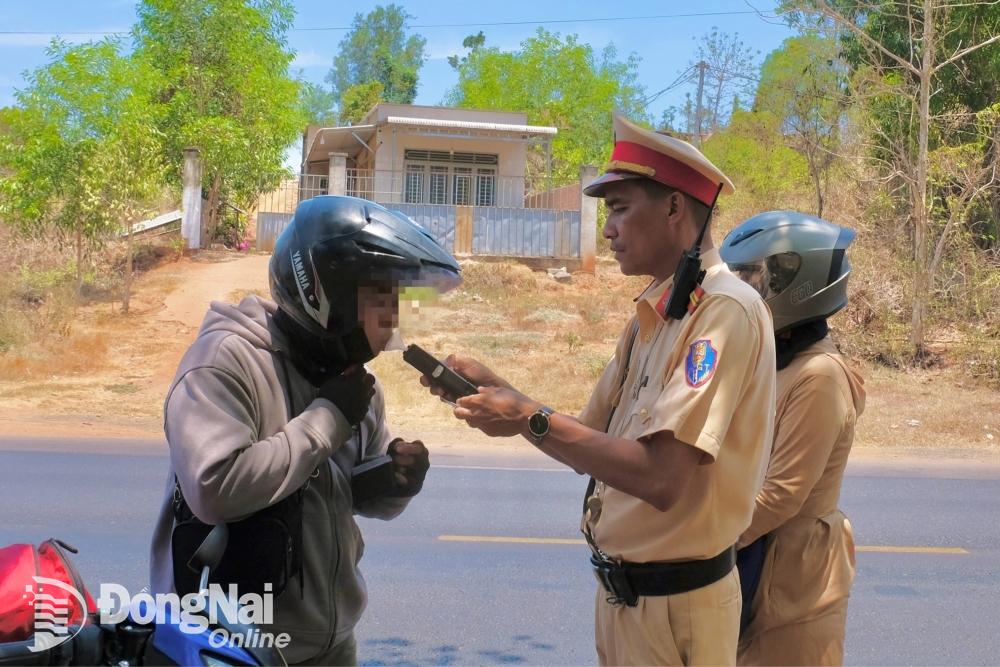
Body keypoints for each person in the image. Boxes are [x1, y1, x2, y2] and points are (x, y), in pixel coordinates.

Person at [422, 113, 776, 666]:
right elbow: (590, 439)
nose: (606, 229)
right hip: (625, 599)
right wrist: (505, 392)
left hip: (677, 608)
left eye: (619, 209)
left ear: (675, 208)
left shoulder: (724, 311)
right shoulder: (657, 309)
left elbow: (661, 479)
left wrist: (527, 416)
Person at [149, 195, 461, 665]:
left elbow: (343, 493)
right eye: (384, 300)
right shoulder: (225, 360)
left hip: (331, 644)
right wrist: (328, 417)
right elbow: (214, 490)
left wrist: (393, 481)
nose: (395, 320)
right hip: (228, 645)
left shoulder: (354, 383)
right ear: (326, 293)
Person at [720, 211, 865, 666]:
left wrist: (701, 542)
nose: (745, 291)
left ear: (795, 285)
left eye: (754, 279)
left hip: (795, 581)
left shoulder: (818, 376)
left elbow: (782, 494)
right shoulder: (778, 360)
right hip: (761, 565)